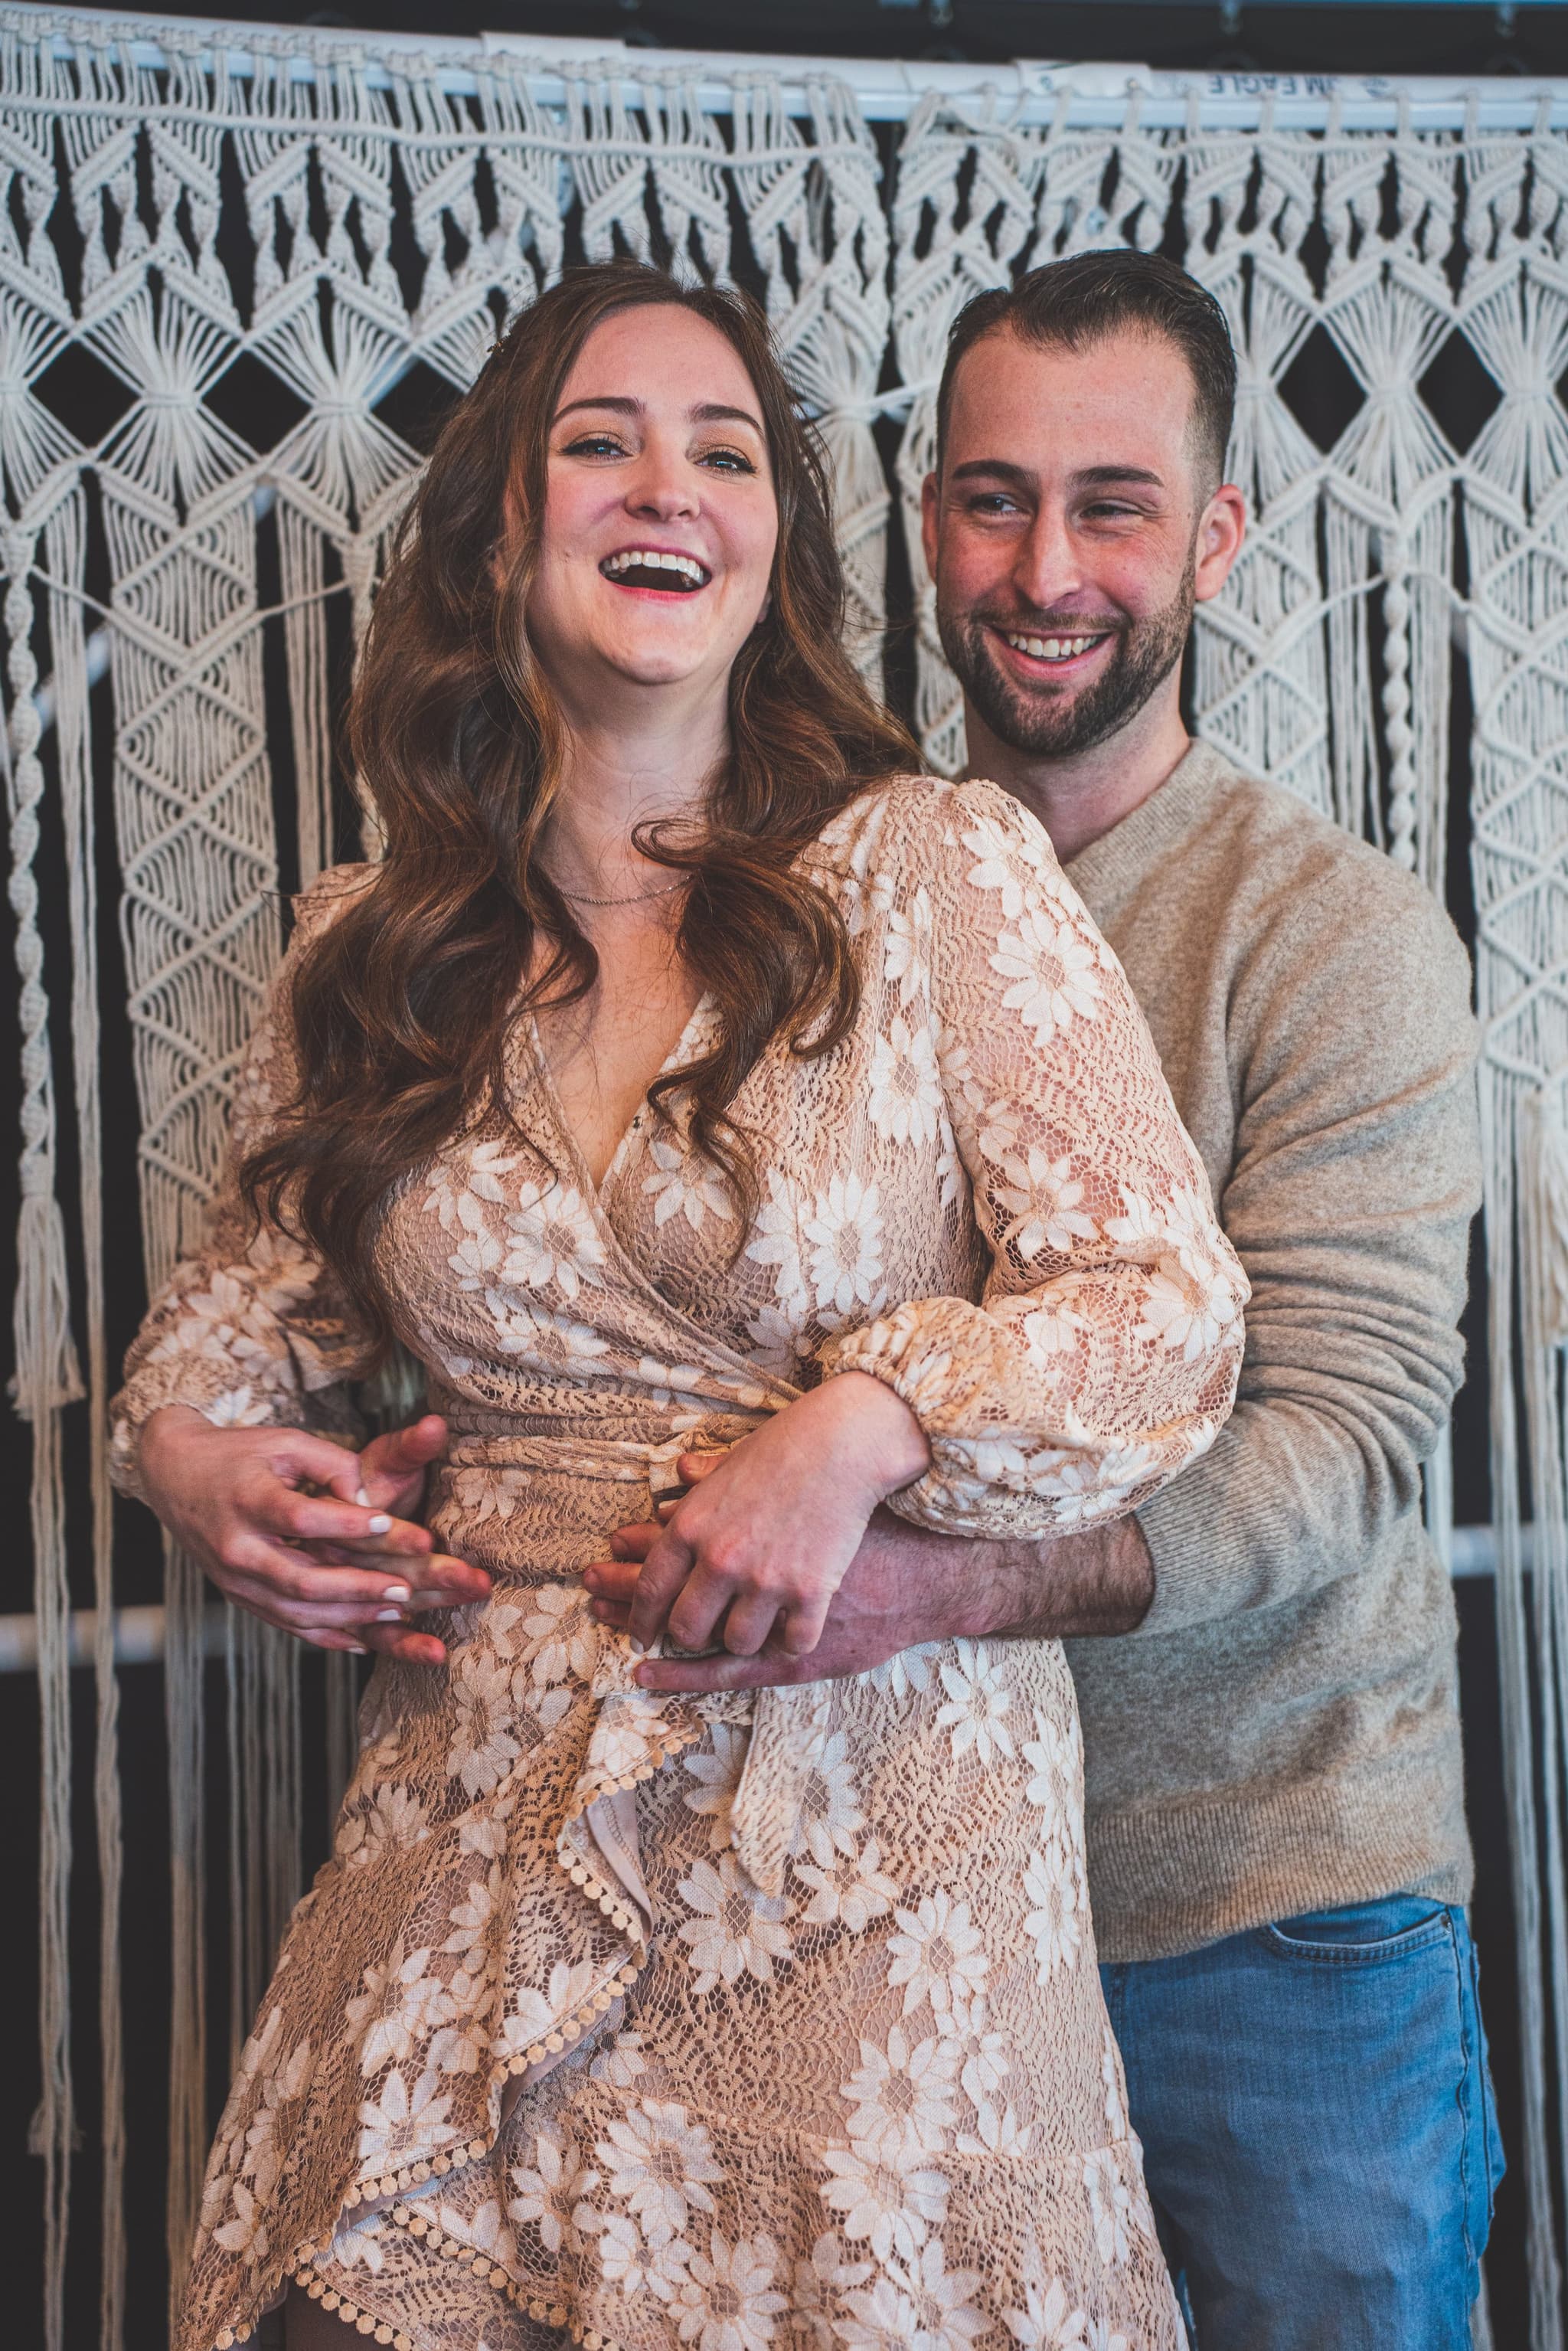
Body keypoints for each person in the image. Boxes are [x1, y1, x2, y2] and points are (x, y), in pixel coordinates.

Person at [113, 259, 1246, 2351]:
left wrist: (863, 1429)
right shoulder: (374, 947)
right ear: (500, 534)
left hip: (869, 1869)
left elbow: (1163, 1307)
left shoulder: (930, 870)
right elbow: (218, 1331)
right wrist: (203, 1470)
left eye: (726, 450)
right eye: (600, 442)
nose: (671, 486)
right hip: (471, 1851)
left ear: (774, 551)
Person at [590, 253, 1501, 2351]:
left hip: (1262, 1922)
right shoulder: (807, 895)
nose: (1046, 566)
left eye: (1112, 506)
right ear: (925, 525)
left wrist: (952, 1587)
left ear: (1216, 538)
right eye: (993, 500)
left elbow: (1340, 1455)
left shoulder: (1331, 935)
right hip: (869, 1908)